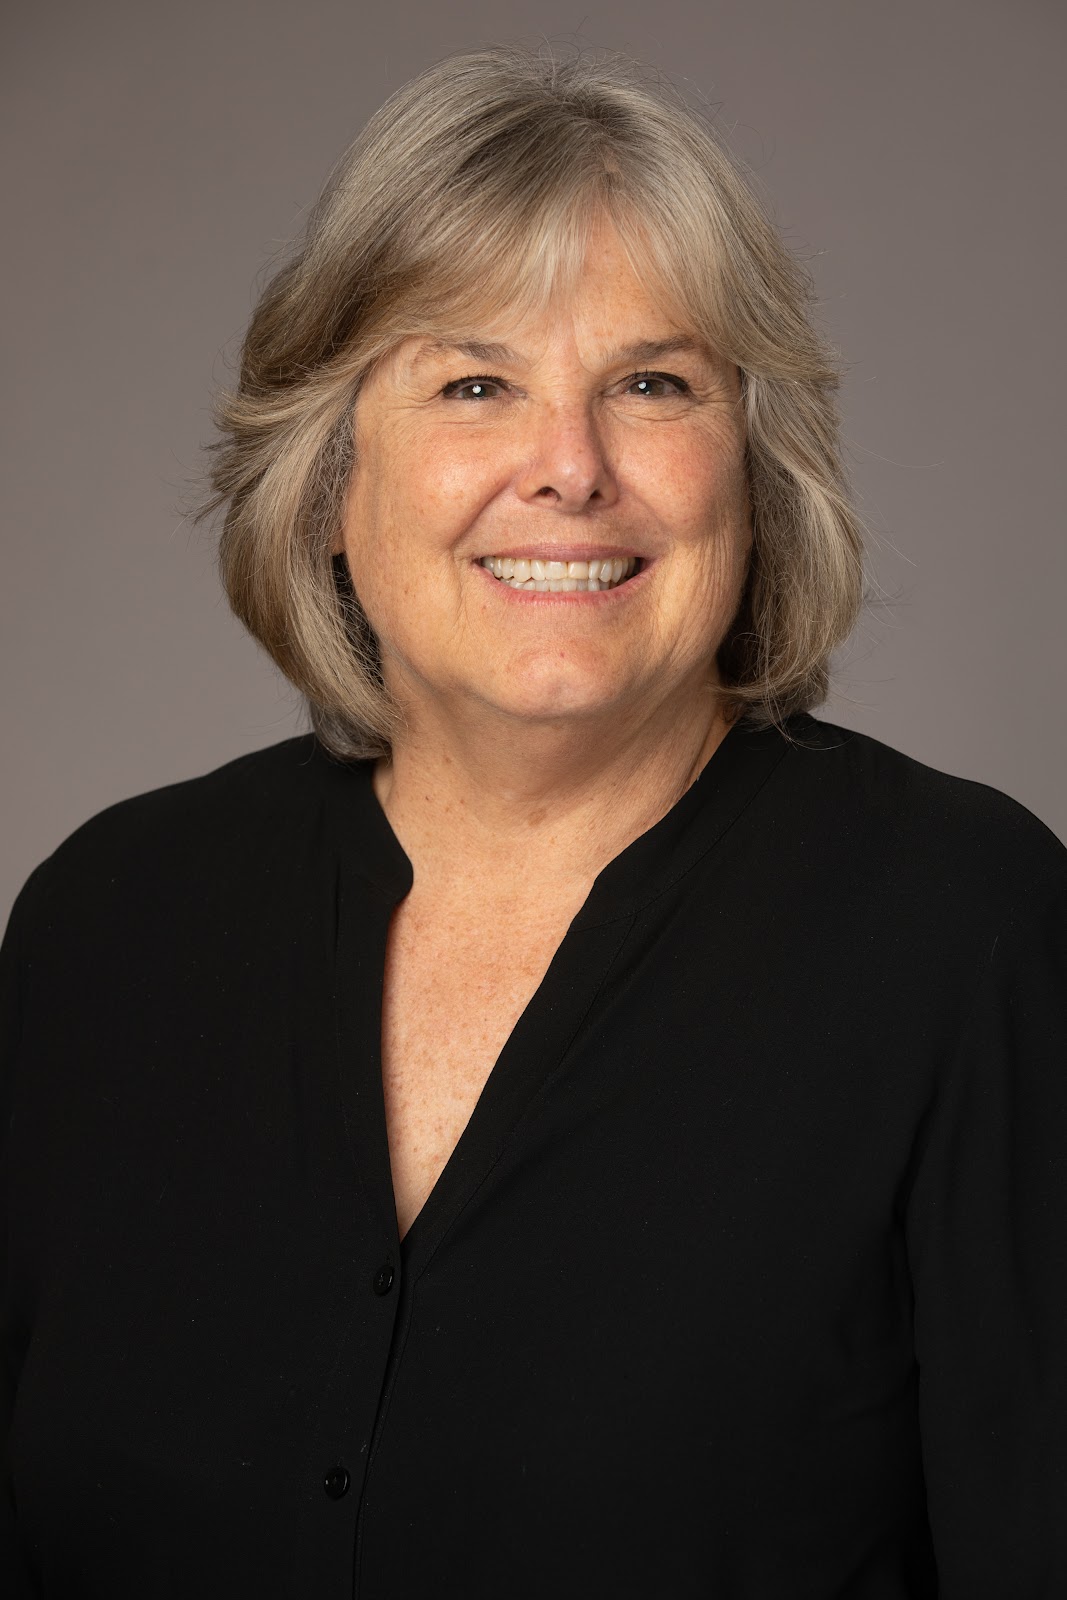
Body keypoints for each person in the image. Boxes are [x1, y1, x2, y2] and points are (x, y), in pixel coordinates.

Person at [2, 41, 1065, 1600]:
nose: (568, 469)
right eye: (475, 383)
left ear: (753, 474)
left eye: (652, 383)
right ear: (329, 476)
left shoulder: (966, 934)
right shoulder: (107, 925)